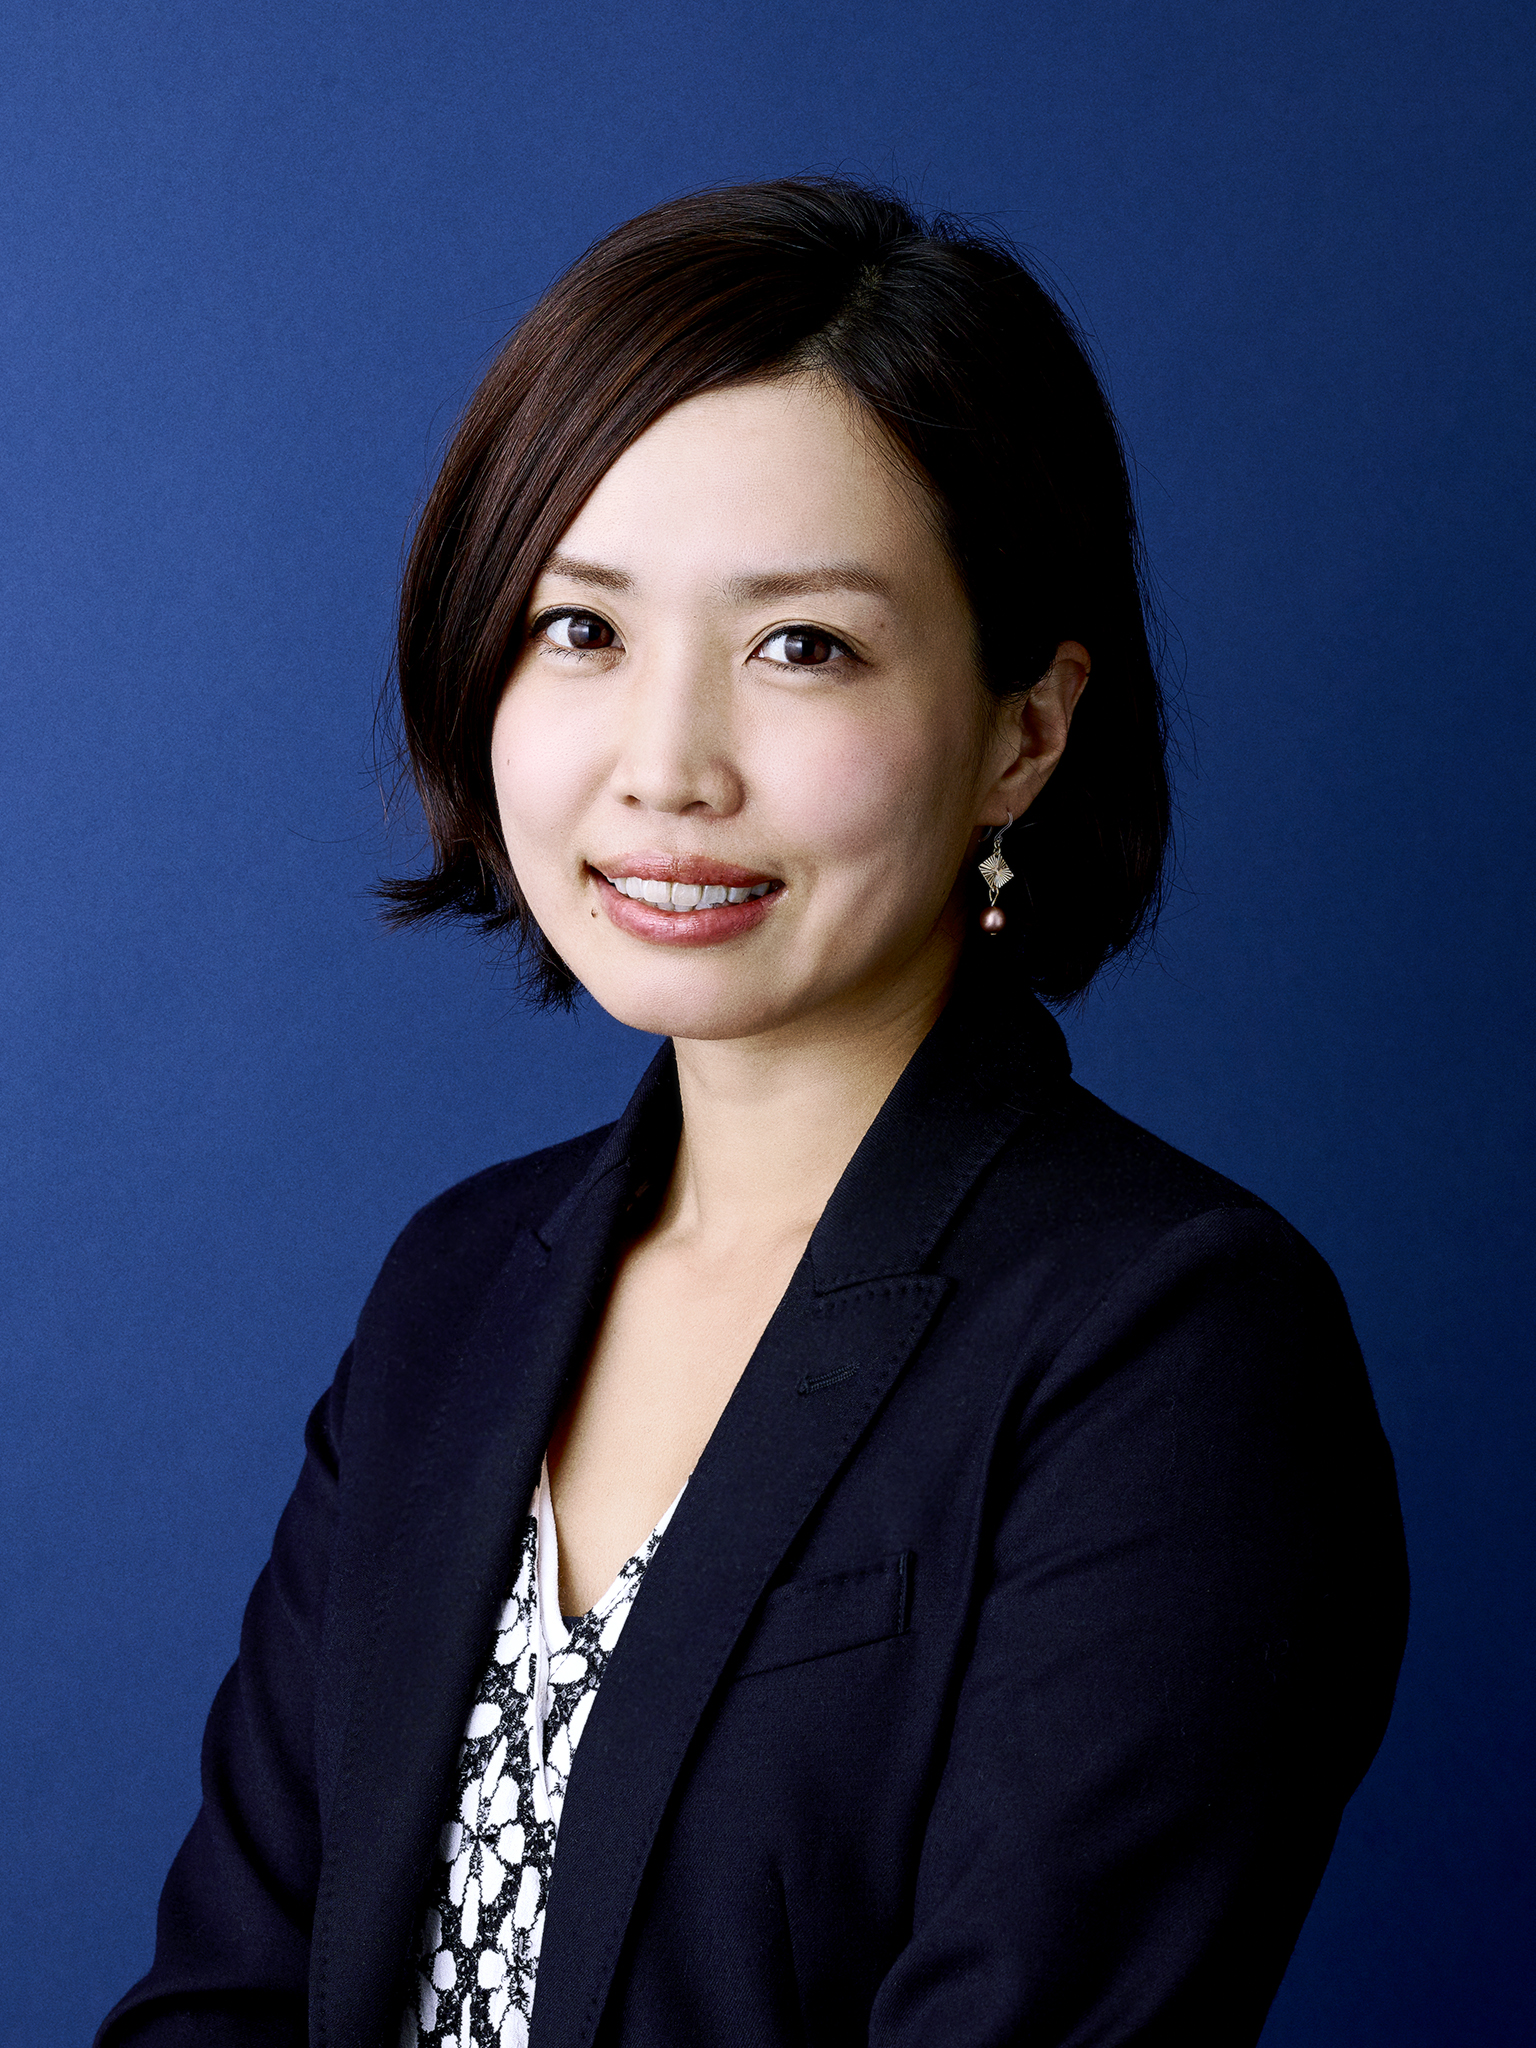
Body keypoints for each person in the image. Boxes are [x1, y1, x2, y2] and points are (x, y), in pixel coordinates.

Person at [96, 178, 1407, 2048]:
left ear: (1025, 731)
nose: (667, 767)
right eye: (579, 627)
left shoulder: (1171, 1342)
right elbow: (221, 2000)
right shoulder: (453, 1289)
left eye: (802, 645)